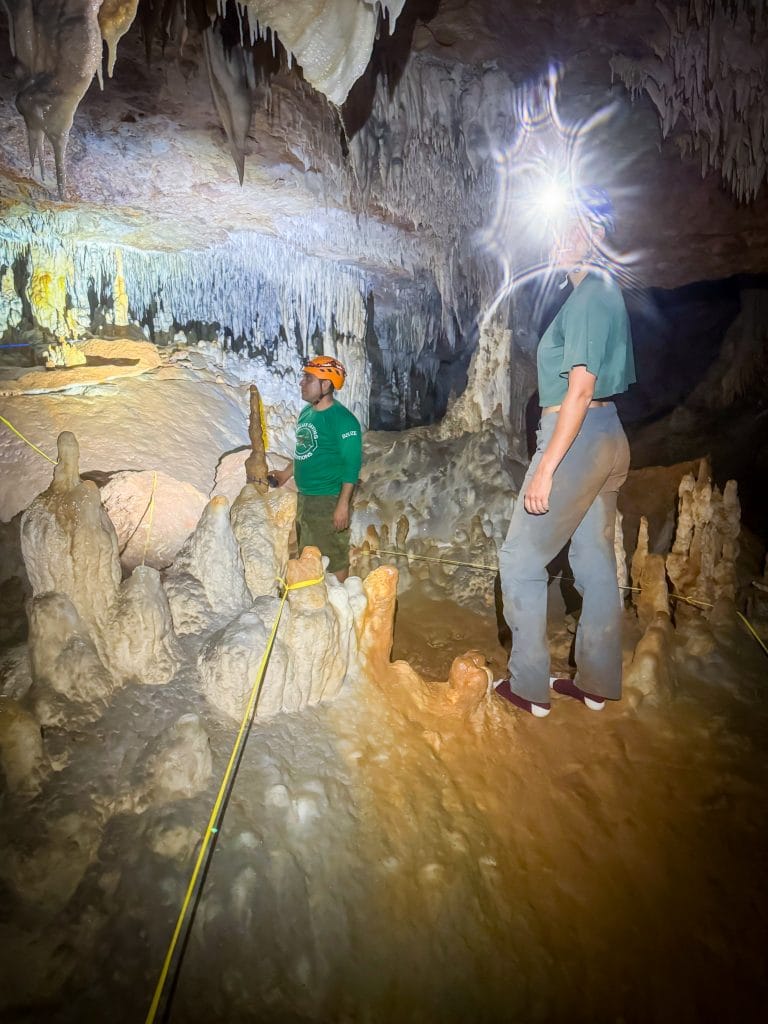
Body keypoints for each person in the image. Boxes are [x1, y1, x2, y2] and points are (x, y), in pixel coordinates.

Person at [497, 186, 636, 717]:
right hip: (608, 436)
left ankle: (529, 687)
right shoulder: (600, 293)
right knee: (592, 559)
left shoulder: (591, 294)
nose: (559, 239)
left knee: (521, 559)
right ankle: (598, 682)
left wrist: (546, 468)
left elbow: (579, 388)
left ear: (597, 234)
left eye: (572, 227)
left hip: (577, 439)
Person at [271, 355, 362, 582]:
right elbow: (305, 451)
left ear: (326, 384)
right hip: (306, 498)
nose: (302, 383)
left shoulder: (343, 421)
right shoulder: (307, 414)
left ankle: (340, 603)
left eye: (308, 378)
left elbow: (352, 465)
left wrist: (342, 505)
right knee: (309, 552)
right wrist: (285, 473)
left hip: (328, 498)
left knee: (334, 555)